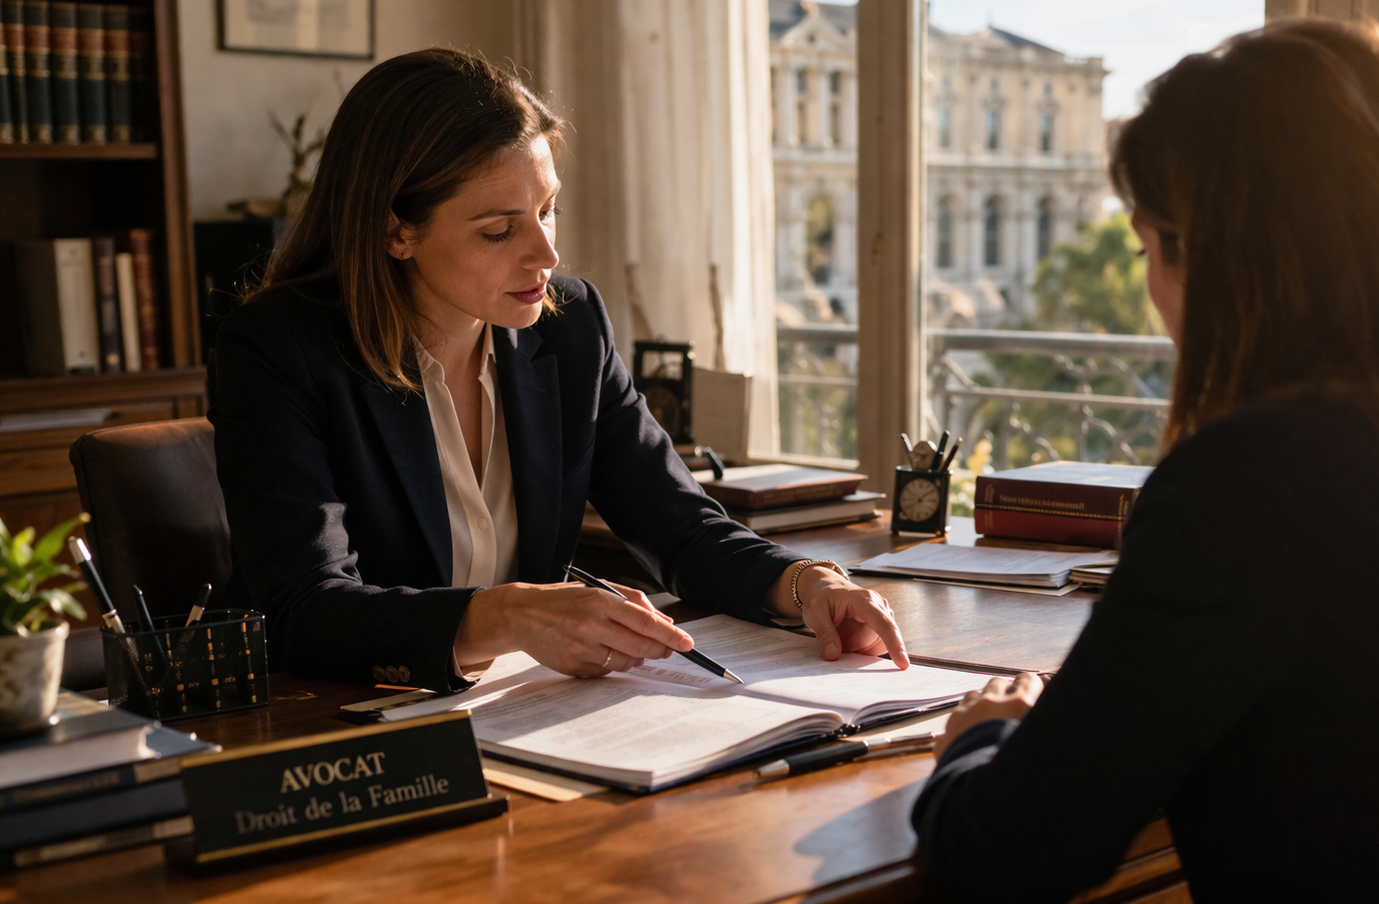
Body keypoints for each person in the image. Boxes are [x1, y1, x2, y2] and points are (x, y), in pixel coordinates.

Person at [911, 20, 1379, 902]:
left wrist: (980, 736)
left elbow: (1003, 852)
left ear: (1218, 258)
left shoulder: (1252, 486)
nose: (1154, 288)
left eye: (1150, 247)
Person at [210, 48, 907, 694]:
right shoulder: (277, 349)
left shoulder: (570, 326)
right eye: (499, 230)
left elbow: (681, 527)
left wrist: (807, 583)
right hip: (342, 722)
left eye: (548, 211)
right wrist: (507, 614)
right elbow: (302, 609)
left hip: (516, 712)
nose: (545, 254)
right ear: (396, 230)